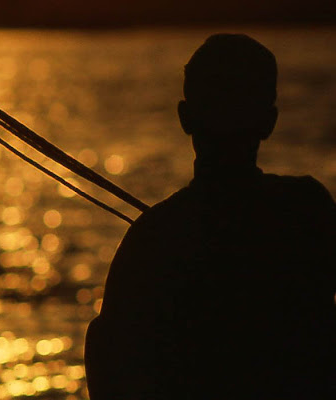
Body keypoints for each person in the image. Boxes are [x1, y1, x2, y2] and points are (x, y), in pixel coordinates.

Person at [84, 33, 336, 399]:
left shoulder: (153, 238)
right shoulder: (308, 209)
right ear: (270, 122)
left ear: (185, 118)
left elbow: (108, 366)